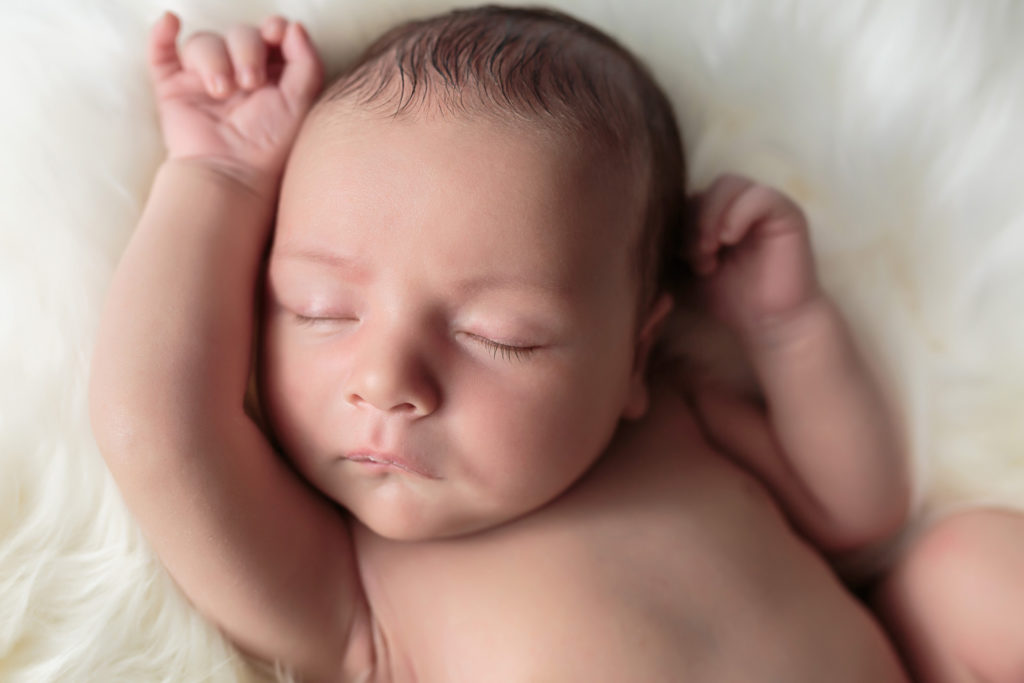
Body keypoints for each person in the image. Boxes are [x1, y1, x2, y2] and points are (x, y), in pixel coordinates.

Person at [89, 5, 990, 681]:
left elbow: (859, 510)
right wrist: (218, 176)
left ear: (634, 357)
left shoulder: (673, 424)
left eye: (499, 337)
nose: (386, 379)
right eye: (322, 308)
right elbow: (158, 430)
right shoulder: (348, 590)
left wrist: (791, 329)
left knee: (966, 566)